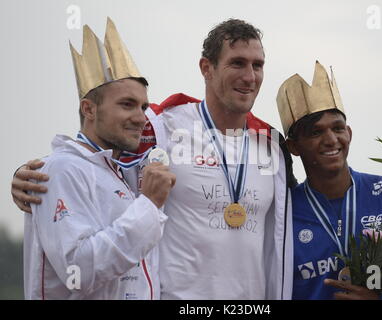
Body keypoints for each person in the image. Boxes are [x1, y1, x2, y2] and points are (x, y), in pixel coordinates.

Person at [11, 19, 296, 299]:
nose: (250, 76)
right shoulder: (161, 127)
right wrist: (32, 174)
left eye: (257, 65)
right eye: (237, 63)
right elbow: (96, 145)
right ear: (206, 68)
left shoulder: (270, 146)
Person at [22, 18, 175, 299]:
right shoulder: (62, 169)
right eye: (127, 105)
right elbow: (77, 272)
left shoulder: (113, 171)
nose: (141, 118)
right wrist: (149, 205)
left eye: (143, 106)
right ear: (89, 109)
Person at [277, 61, 382, 299]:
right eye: (316, 132)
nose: (330, 139)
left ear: (348, 133)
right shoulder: (281, 214)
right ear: (293, 146)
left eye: (337, 128)